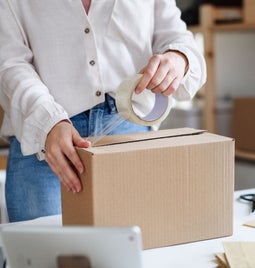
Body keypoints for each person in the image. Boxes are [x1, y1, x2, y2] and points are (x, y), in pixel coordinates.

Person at [0, 0, 206, 222]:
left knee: (136, 251)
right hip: (45, 143)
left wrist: (178, 58)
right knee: (44, 254)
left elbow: (176, 37)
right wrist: (47, 122)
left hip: (130, 132)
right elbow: (10, 62)